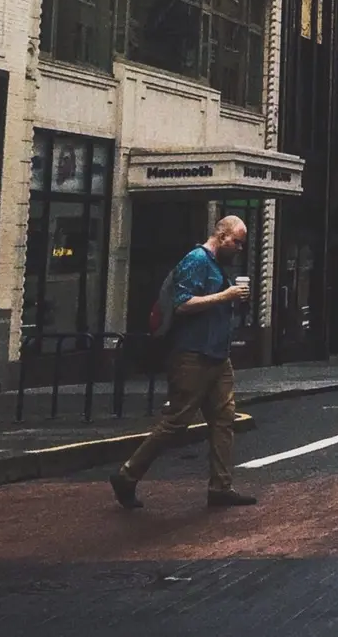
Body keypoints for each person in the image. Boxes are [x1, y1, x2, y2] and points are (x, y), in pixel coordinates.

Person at [112, 216, 256, 509]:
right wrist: (225, 295)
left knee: (224, 420)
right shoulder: (196, 260)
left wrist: (232, 299)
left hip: (217, 355)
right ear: (222, 234)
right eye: (237, 242)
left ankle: (220, 487)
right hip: (192, 355)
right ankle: (127, 475)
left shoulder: (217, 266)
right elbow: (183, 304)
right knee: (177, 422)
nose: (240, 248)